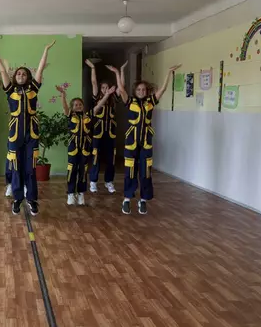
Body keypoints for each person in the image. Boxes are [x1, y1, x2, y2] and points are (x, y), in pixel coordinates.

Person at [0, 41, 55, 215]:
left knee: (30, 168)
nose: (21, 75)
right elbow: (3, 71)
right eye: (18, 73)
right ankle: (17, 199)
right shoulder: (10, 90)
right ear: (15, 77)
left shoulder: (33, 89)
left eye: (24, 74)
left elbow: (40, 70)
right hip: (14, 135)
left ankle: (32, 199)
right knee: (16, 167)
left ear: (28, 77)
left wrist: (45, 50)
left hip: (32, 134)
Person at [107, 62, 181, 214]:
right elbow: (121, 89)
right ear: (135, 91)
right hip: (131, 144)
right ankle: (127, 199)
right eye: (139, 89)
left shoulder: (150, 102)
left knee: (145, 173)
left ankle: (143, 201)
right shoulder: (130, 101)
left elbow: (163, 89)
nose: (141, 91)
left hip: (146, 144)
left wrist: (168, 72)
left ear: (147, 91)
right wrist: (117, 71)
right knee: (130, 172)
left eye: (143, 89)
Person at [60, 87, 114, 205]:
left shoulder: (89, 115)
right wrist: (63, 95)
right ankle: (70, 193)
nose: (78, 106)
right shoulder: (70, 115)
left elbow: (99, 106)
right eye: (76, 105)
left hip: (85, 148)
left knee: (83, 171)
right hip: (73, 147)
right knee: (72, 170)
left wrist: (107, 95)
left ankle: (81, 193)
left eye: (80, 104)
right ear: (72, 107)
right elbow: (64, 107)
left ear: (83, 106)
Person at [85, 59, 118, 194]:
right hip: (98, 131)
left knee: (111, 158)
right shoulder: (96, 97)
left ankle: (109, 181)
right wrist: (93, 68)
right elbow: (93, 82)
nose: (105, 90)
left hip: (110, 132)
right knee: (96, 157)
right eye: (103, 87)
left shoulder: (114, 99)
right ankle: (93, 181)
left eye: (107, 87)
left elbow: (121, 87)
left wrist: (117, 72)